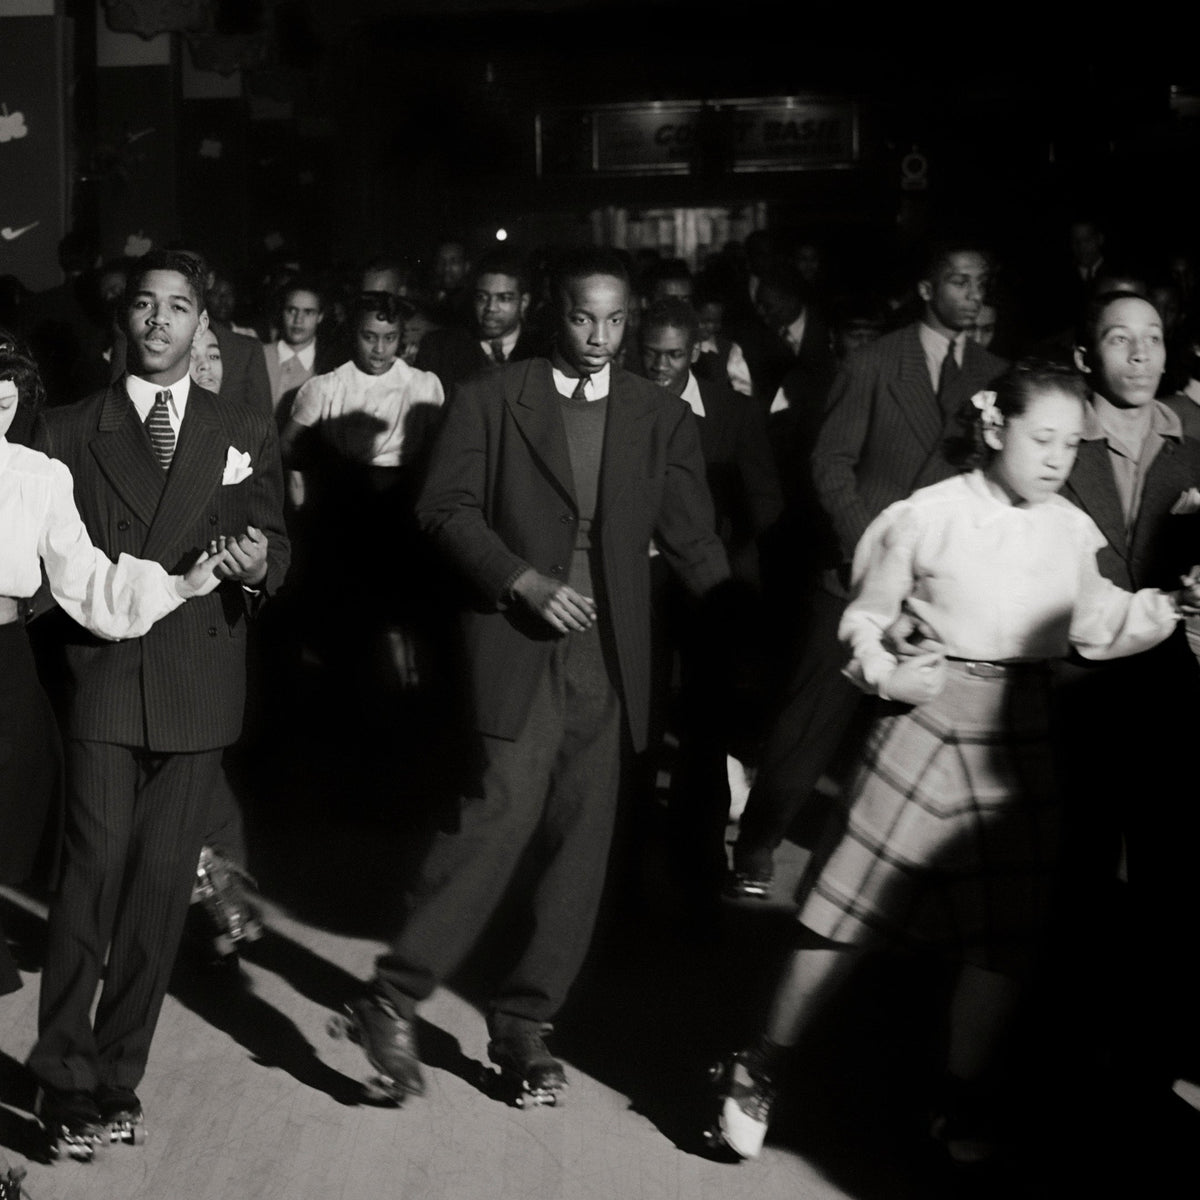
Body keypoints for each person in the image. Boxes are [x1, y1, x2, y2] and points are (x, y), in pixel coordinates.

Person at [705, 360, 1200, 1164]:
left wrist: (1170, 605)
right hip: (925, 722)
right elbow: (864, 620)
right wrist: (891, 666)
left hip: (1024, 732)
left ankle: (957, 1098)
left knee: (1003, 936)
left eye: (1072, 446)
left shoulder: (1069, 529)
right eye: (1042, 439)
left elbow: (1098, 622)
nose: (1057, 459)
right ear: (995, 428)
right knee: (845, 916)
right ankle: (760, 1066)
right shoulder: (924, 516)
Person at [335, 248, 729, 1106]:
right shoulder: (489, 400)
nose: (600, 336)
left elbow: (695, 541)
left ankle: (524, 1027)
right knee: (498, 815)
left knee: (581, 845)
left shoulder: (660, 415)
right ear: (557, 313)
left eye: (616, 320)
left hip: (613, 658)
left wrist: (746, 619)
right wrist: (521, 579)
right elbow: (443, 509)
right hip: (518, 642)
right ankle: (393, 997)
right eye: (585, 317)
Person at [25, 249, 289, 1155]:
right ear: (123, 318)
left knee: (158, 891)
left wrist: (259, 569)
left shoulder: (243, 423)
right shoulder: (65, 429)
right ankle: (61, 1076)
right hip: (102, 679)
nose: (161, 321)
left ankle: (116, 1076)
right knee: (92, 875)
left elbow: (277, 544)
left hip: (199, 683)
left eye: (180, 307)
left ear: (202, 324)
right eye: (146, 304)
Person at [729, 239, 1005, 898]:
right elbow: (830, 462)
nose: (972, 292)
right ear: (926, 289)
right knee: (809, 727)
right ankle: (759, 843)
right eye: (958, 280)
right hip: (857, 575)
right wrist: (869, 550)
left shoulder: (998, 374)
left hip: (944, 586)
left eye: (980, 281)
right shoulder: (877, 363)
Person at [2, 351, 228, 1007]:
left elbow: (81, 573)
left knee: (18, 805)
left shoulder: (40, 475)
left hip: (6, 657)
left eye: (7, 390)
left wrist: (176, 585)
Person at [638, 297, 782, 919]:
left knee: (703, 729)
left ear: (697, 348)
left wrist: (729, 579)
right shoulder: (614, 401)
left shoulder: (732, 413)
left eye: (674, 355)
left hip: (705, 587)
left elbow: (765, 503)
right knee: (636, 724)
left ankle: (698, 861)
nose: (663, 367)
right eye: (651, 355)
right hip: (635, 581)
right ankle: (631, 857)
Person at [415, 250, 542, 394]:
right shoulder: (438, 349)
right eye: (482, 297)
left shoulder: (543, 351)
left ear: (524, 302)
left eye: (504, 298)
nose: (491, 308)